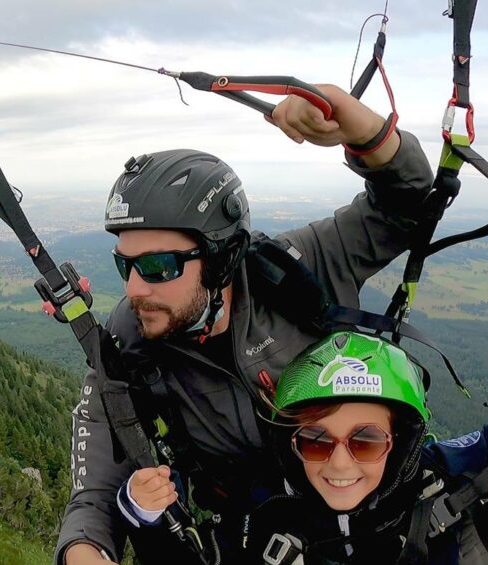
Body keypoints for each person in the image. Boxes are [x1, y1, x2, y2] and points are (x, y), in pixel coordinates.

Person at [56, 84, 441, 565]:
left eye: (157, 267)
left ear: (220, 260)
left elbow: (405, 203)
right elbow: (94, 489)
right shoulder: (128, 340)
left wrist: (354, 121)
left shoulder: (296, 269)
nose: (134, 288)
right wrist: (83, 551)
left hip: (368, 514)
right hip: (252, 540)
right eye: (125, 266)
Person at [124, 297, 488, 564]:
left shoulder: (439, 481)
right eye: (315, 440)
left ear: (400, 441)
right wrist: (148, 516)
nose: (339, 462)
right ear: (292, 442)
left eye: (366, 441)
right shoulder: (266, 511)